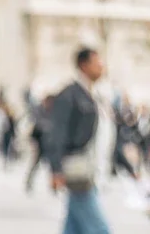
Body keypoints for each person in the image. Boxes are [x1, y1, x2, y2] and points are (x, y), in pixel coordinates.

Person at [48, 46, 112, 234]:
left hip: (89, 167)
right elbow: (56, 133)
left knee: (74, 227)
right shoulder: (69, 95)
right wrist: (56, 169)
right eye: (97, 63)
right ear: (84, 65)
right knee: (100, 229)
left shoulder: (91, 95)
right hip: (77, 169)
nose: (101, 67)